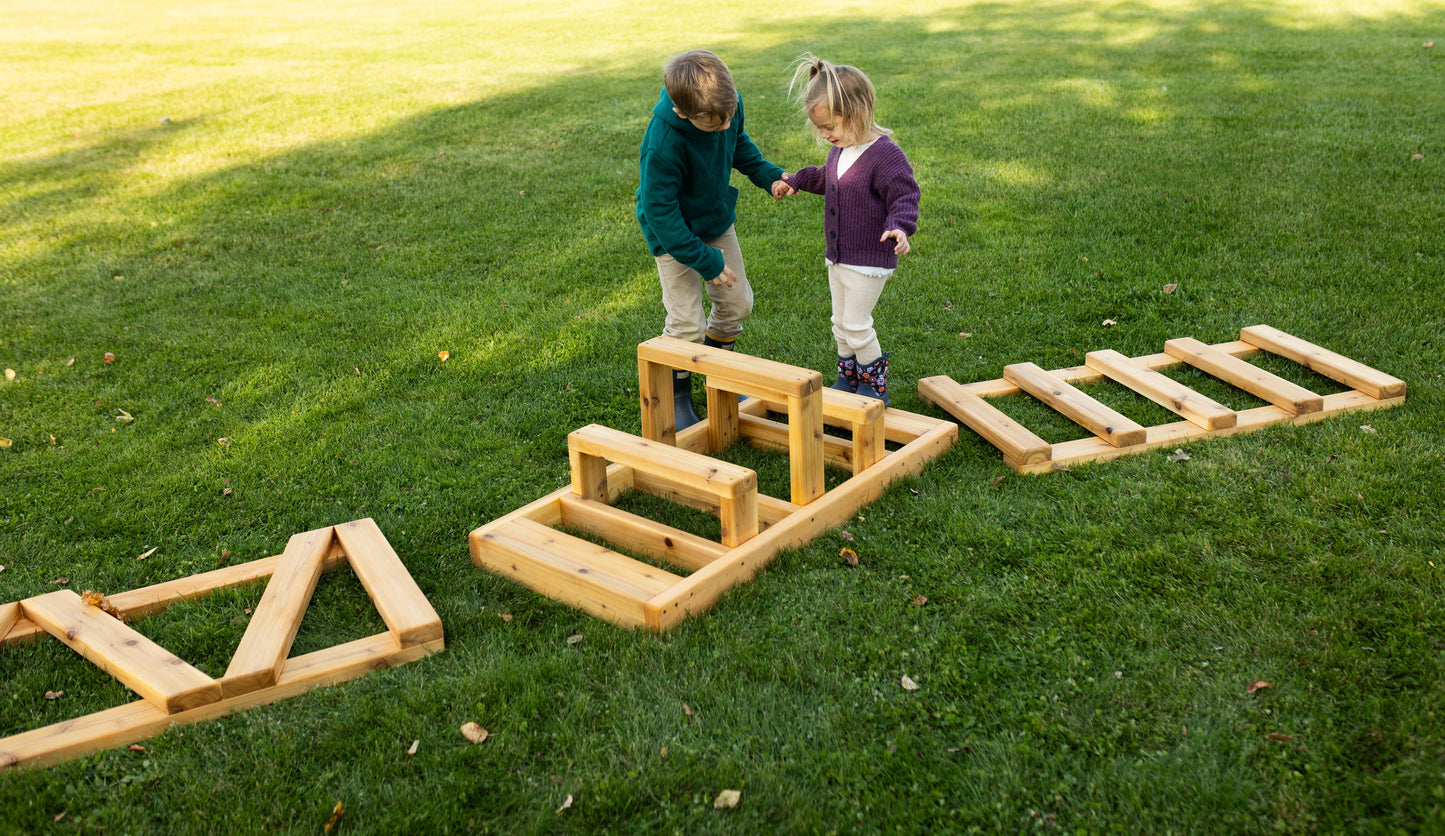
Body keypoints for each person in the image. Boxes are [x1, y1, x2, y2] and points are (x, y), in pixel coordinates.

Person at [637, 49, 791, 429]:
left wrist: (769, 175)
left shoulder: (726, 107)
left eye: (728, 119)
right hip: (672, 233)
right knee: (686, 322)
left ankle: (718, 375)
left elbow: (739, 145)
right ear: (681, 112)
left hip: (715, 220)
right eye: (713, 126)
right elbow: (661, 212)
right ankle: (675, 396)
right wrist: (705, 260)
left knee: (737, 305)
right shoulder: (664, 143)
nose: (723, 129)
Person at [780, 55, 919, 406]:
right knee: (839, 323)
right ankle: (848, 377)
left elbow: (904, 196)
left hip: (869, 259)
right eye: (821, 129)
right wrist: (797, 180)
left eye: (830, 127)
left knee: (857, 324)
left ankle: (875, 385)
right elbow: (828, 178)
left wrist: (899, 228)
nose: (825, 135)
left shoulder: (886, 156)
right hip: (839, 258)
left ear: (858, 112)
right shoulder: (840, 149)